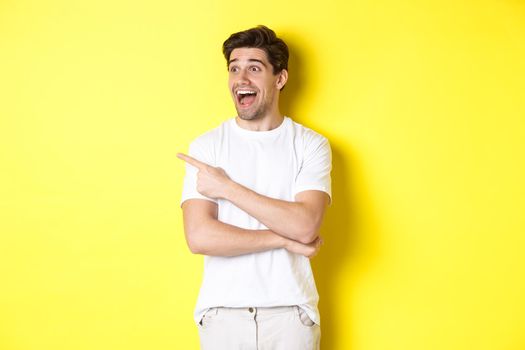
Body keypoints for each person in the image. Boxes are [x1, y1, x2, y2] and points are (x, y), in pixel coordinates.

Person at [178, 25, 332, 350]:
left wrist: (227, 187)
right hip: (222, 316)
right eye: (234, 68)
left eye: (254, 68)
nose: (241, 79)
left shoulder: (310, 145)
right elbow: (200, 236)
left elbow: (305, 225)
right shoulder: (207, 147)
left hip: (291, 316)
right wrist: (281, 238)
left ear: (280, 78)